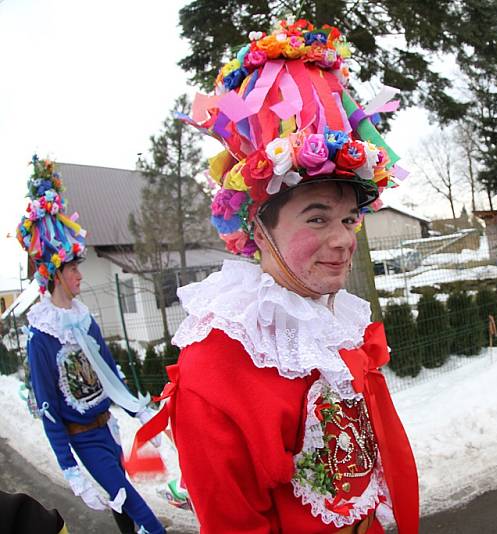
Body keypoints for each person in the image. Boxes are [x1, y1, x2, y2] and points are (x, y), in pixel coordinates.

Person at [128, 19, 419, 533]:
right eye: (316, 217)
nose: (343, 239)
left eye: (349, 219)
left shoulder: (336, 326)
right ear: (259, 231)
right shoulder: (216, 366)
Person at [16, 156, 166, 533]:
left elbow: (108, 372)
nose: (80, 276)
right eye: (73, 270)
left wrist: (137, 411)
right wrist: (71, 471)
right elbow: (49, 407)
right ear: (55, 275)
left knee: (124, 514)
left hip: (108, 430)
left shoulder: (82, 316)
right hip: (84, 440)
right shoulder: (41, 334)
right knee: (139, 510)